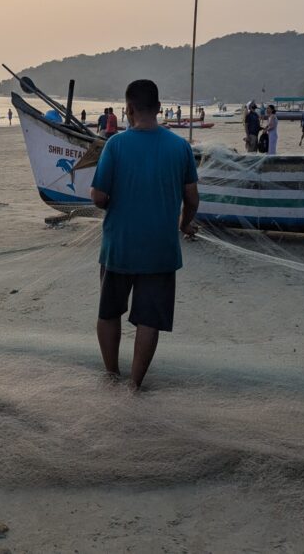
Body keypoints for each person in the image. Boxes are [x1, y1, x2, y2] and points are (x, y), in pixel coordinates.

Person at [90, 79, 199, 390]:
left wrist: (110, 202)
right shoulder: (180, 147)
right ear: (160, 108)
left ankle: (112, 374)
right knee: (149, 319)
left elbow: (98, 196)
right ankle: (135, 385)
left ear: (129, 109)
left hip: (119, 246)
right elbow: (192, 198)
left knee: (109, 312)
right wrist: (183, 224)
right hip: (160, 249)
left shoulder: (116, 145)